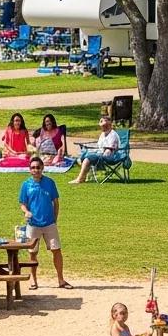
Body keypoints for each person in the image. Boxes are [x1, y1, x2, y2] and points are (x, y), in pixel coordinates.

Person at [19, 157, 70, 290]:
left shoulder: (50, 183)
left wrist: (55, 219)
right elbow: (22, 204)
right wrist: (26, 212)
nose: (35, 170)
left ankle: (61, 280)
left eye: (38, 167)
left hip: (49, 224)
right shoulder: (26, 185)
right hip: (33, 224)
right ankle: (33, 280)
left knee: (56, 250)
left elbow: (56, 203)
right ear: (29, 170)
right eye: (33, 168)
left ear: (42, 168)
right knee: (33, 253)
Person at [70, 116, 121, 184]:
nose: (101, 127)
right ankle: (84, 176)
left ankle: (80, 179)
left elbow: (109, 150)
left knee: (87, 159)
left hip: (109, 156)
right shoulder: (103, 134)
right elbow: (98, 145)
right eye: (101, 126)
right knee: (81, 156)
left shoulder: (113, 135)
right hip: (100, 153)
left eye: (103, 125)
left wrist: (99, 154)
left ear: (108, 125)